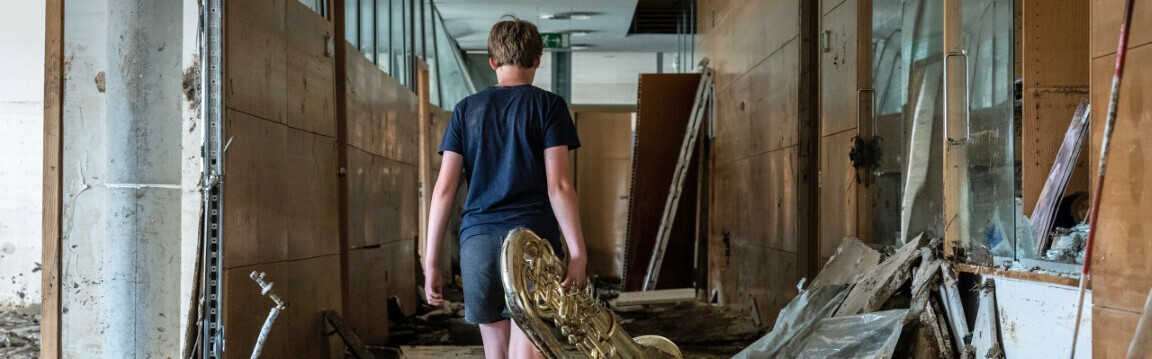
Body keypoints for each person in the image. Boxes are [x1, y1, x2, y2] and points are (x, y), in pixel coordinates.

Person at [422, 15, 587, 359]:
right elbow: (558, 186)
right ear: (538, 61)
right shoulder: (549, 106)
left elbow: (443, 191)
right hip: (531, 243)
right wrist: (577, 252)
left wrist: (431, 260)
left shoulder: (465, 110)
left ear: (492, 62)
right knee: (528, 352)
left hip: (478, 243)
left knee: (495, 353)